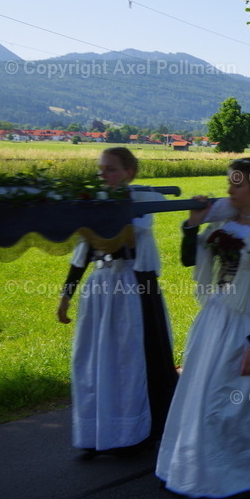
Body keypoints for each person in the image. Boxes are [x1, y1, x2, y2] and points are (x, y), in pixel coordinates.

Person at [157, 158, 250, 499]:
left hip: (246, 322)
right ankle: (197, 472)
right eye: (229, 182)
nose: (230, 189)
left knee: (231, 400)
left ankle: (240, 475)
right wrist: (192, 225)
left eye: (237, 183)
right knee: (201, 394)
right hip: (216, 319)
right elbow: (190, 260)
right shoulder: (223, 223)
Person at [57, 147, 178, 458]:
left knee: (131, 361)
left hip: (130, 288)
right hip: (99, 291)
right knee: (95, 361)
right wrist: (66, 294)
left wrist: (111, 210)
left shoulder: (142, 202)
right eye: (101, 170)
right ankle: (96, 431)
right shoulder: (93, 202)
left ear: (129, 173)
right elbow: (82, 255)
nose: (103, 175)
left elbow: (133, 238)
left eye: (110, 169)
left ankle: (138, 433)